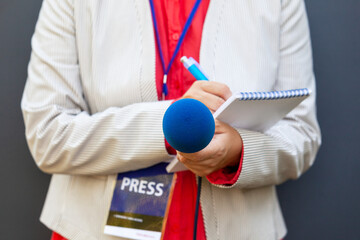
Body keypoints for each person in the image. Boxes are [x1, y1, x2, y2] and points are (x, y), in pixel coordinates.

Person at [21, 0, 321, 239]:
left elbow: (302, 135)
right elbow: (48, 135)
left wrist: (239, 151)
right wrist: (168, 126)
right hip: (90, 230)